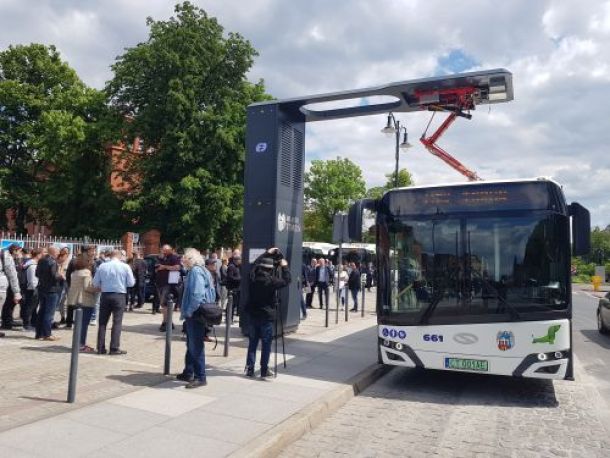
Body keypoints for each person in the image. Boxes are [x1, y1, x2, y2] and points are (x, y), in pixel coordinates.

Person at [245, 247, 291, 379]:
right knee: (266, 344)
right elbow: (287, 280)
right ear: (270, 269)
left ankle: (250, 368)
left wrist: (267, 253)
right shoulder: (271, 281)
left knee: (253, 342)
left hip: (253, 314)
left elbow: (254, 265)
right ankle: (264, 370)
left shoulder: (253, 277)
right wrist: (285, 266)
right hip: (266, 316)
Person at [176, 248, 216, 388]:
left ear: (191, 259)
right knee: (191, 343)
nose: (182, 261)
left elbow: (197, 294)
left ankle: (200, 377)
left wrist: (190, 311)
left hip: (196, 313)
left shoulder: (195, 271)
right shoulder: (203, 270)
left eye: (184, 258)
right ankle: (189, 371)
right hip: (200, 312)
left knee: (196, 345)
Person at [93, 249, 135, 355]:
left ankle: (100, 347)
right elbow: (131, 283)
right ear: (120, 256)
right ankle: (114, 348)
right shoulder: (125, 266)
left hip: (105, 294)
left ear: (110, 256)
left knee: (102, 322)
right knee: (117, 322)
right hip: (119, 295)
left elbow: (95, 282)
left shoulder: (102, 266)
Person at [66, 256, 98, 352]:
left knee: (79, 323)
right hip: (85, 300)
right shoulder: (86, 273)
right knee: (83, 324)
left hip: (75, 300)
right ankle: (81, 344)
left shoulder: (75, 273)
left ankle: (77, 343)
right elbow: (87, 287)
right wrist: (98, 289)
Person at [35, 246, 64, 341]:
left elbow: (37, 274)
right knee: (49, 313)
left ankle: (39, 334)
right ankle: (47, 334)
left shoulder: (41, 260)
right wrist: (61, 276)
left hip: (42, 288)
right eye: (57, 252)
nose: (58, 254)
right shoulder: (52, 262)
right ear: (53, 252)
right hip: (52, 290)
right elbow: (54, 276)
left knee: (41, 311)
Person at [155, 245, 182, 332]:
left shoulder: (174, 257)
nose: (163, 251)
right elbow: (156, 268)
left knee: (165, 304)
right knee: (163, 304)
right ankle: (169, 322)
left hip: (168, 284)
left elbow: (177, 267)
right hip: (160, 283)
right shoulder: (161, 258)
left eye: (165, 250)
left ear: (169, 250)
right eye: (162, 250)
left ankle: (165, 323)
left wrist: (164, 267)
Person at [0, 244, 23, 337]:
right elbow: (12, 274)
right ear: (14, 250)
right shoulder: (6, 256)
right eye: (19, 251)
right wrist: (17, 292)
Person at [21, 247, 43, 331]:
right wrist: (35, 288)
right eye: (41, 254)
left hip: (32, 288)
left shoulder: (32, 264)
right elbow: (32, 279)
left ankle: (33, 323)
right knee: (30, 307)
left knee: (33, 307)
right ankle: (26, 324)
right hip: (32, 289)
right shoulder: (32, 265)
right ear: (37, 255)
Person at [226, 252, 242, 320]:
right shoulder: (231, 267)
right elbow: (230, 277)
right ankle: (229, 318)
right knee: (232, 304)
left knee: (235, 304)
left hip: (237, 288)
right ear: (236, 260)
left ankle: (230, 318)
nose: (241, 261)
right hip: (233, 288)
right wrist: (239, 279)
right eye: (240, 260)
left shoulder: (238, 267)